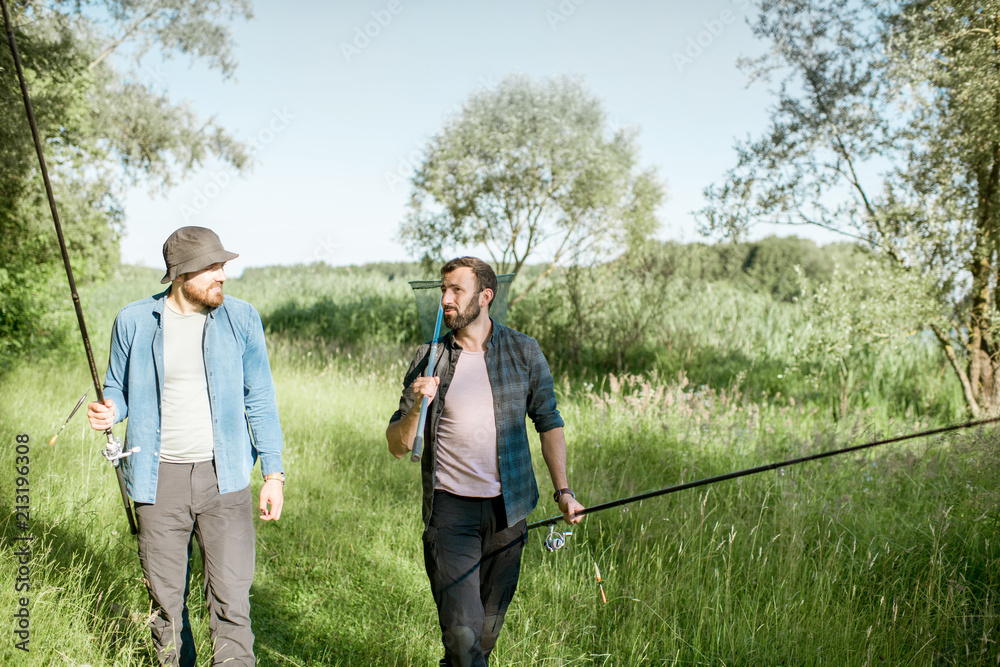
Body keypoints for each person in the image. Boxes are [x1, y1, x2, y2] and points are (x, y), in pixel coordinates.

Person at [87, 226, 285, 667]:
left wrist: (273, 473)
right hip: (158, 482)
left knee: (232, 603)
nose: (222, 276)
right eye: (212, 267)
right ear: (180, 274)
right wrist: (109, 409)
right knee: (166, 608)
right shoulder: (134, 321)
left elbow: (261, 398)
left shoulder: (242, 318)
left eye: (223, 266)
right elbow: (115, 388)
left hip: (226, 477)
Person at [386, 256, 585, 667]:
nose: (445, 299)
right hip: (450, 513)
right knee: (461, 637)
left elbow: (548, 420)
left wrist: (563, 490)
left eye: (456, 289)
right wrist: (415, 408)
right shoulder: (430, 357)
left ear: (486, 295)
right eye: (443, 290)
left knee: (483, 639)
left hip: (508, 512)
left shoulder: (524, 351)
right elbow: (396, 445)